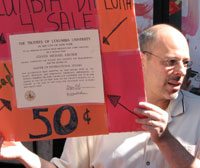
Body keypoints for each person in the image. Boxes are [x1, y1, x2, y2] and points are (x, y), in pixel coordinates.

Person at [1, 24, 200, 168]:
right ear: (141, 60)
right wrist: (23, 154)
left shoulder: (197, 113)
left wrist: (165, 139)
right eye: (171, 61)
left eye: (185, 62)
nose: (181, 71)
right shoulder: (97, 110)